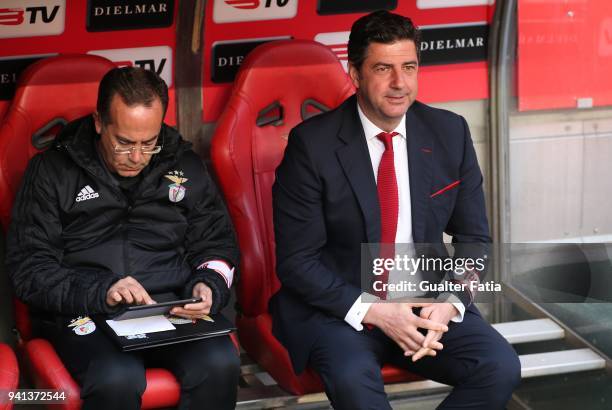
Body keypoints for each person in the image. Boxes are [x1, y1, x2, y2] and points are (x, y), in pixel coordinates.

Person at [270, 10, 521, 410]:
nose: (399, 83)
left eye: (409, 67)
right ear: (354, 73)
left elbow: (475, 240)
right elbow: (297, 262)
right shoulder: (311, 146)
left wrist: (451, 301)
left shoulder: (449, 132)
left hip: (426, 299)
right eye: (383, 68)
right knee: (355, 384)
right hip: (342, 308)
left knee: (499, 367)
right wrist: (379, 312)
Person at [6, 67, 240, 410]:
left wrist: (210, 283)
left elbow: (216, 242)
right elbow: (28, 270)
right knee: (117, 378)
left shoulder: (184, 165)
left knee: (220, 362)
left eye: (149, 143)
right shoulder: (52, 171)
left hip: (168, 305)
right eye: (125, 143)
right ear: (100, 122)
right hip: (85, 308)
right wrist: (103, 290)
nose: (137, 157)